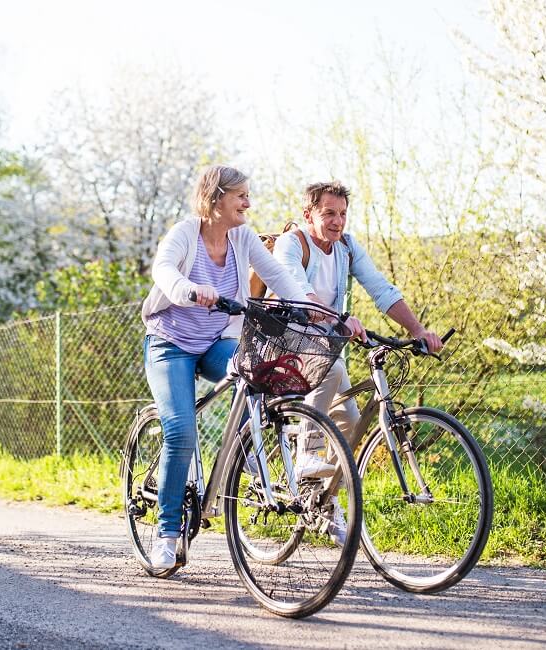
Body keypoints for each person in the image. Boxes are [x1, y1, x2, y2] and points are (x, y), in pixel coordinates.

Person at [140, 164, 311, 572]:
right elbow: (163, 269)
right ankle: (167, 533)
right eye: (241, 196)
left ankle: (248, 452)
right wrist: (187, 289)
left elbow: (276, 274)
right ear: (216, 198)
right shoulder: (186, 233)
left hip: (217, 341)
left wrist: (307, 308)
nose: (248, 203)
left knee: (258, 375)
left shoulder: (242, 237)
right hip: (171, 344)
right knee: (181, 432)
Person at [272, 180, 443, 544]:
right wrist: (336, 320)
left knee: (352, 427)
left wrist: (418, 331)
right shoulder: (293, 244)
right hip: (283, 343)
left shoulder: (346, 247)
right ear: (309, 214)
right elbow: (297, 292)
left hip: (325, 345)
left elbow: (380, 289)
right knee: (331, 368)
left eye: (343, 214)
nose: (337, 221)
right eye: (328, 213)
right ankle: (306, 456)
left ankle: (324, 501)